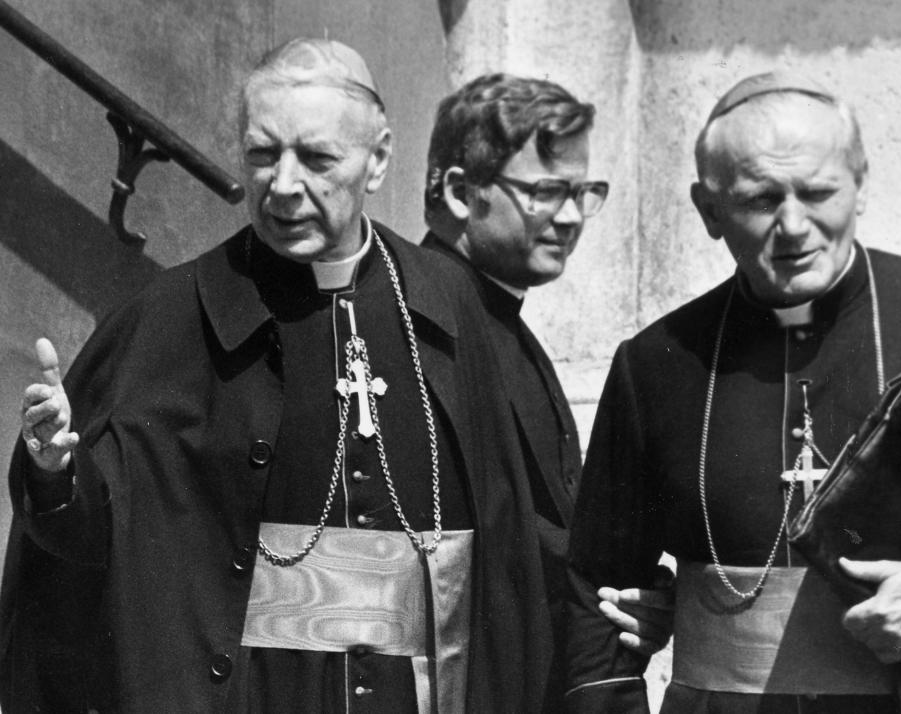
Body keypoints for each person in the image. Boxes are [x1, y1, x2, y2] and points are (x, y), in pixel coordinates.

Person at [1, 37, 552, 713]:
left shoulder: (446, 301)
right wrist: (56, 471)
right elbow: (102, 546)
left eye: (317, 159)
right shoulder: (166, 317)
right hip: (257, 689)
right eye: (262, 155)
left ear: (378, 159)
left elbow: (511, 532)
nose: (283, 186)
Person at [565, 71, 901, 713]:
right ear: (709, 210)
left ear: (860, 184)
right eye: (761, 198)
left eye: (819, 192)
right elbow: (598, 586)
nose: (794, 225)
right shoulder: (659, 362)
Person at [420, 72, 608, 711]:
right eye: (547, 191)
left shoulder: (489, 311)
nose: (573, 216)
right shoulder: (424, 320)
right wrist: (610, 583)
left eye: (583, 192)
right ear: (459, 192)